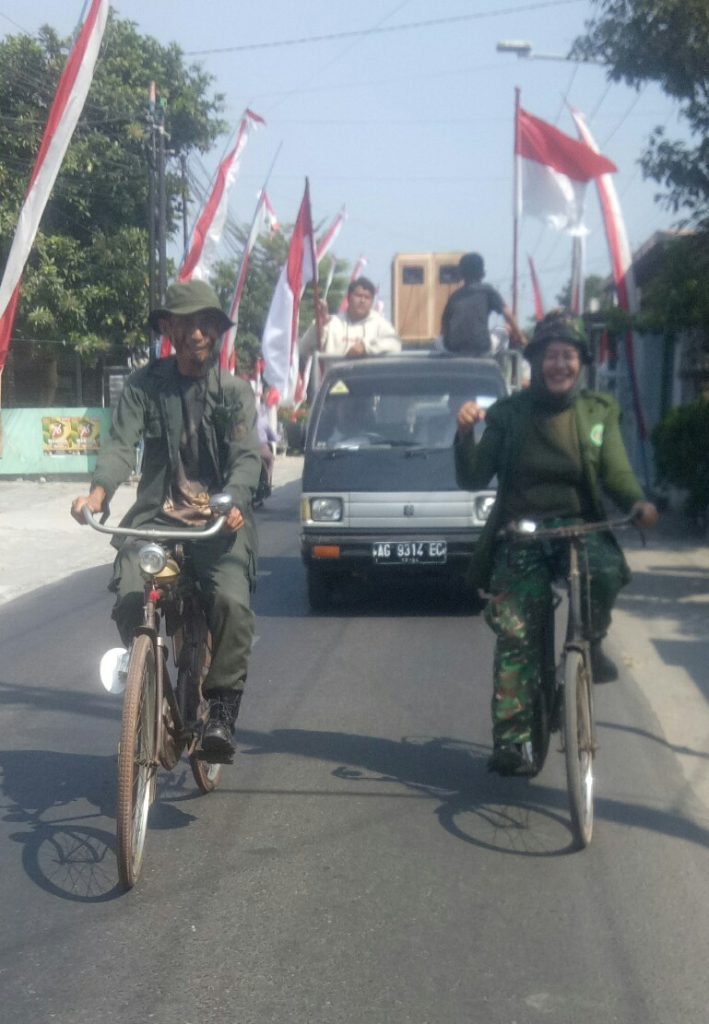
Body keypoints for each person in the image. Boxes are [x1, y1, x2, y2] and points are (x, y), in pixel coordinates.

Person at [454, 310, 658, 776]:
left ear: (580, 362)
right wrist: (464, 434)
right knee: (517, 633)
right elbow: (471, 477)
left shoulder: (597, 413)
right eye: (551, 356)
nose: (559, 365)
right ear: (535, 362)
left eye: (568, 356)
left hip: (579, 529)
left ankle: (592, 643)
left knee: (606, 570)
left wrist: (639, 503)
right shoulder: (508, 415)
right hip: (522, 533)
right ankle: (513, 742)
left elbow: (617, 473)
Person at [71, 280, 262, 764]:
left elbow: (247, 459)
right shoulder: (143, 386)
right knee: (130, 595)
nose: (196, 332)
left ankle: (219, 708)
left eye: (206, 323)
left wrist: (235, 499)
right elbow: (118, 445)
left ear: (217, 331)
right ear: (168, 329)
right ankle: (146, 677)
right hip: (156, 520)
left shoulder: (234, 392)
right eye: (185, 323)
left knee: (231, 603)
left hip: (217, 525)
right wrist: (98, 494)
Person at [441, 252, 525, 355]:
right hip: (481, 347)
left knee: (438, 341)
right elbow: (508, 315)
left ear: (461, 273)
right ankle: (502, 364)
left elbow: (444, 325)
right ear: (482, 273)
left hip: (452, 348)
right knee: (506, 328)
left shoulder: (454, 296)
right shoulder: (487, 290)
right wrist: (521, 337)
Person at [300, 276, 402, 360]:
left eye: (367, 297)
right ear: (348, 297)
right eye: (358, 295)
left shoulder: (380, 324)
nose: (362, 300)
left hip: (369, 381)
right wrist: (320, 325)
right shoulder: (332, 322)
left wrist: (365, 348)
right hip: (335, 381)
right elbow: (304, 348)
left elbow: (395, 344)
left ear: (372, 301)